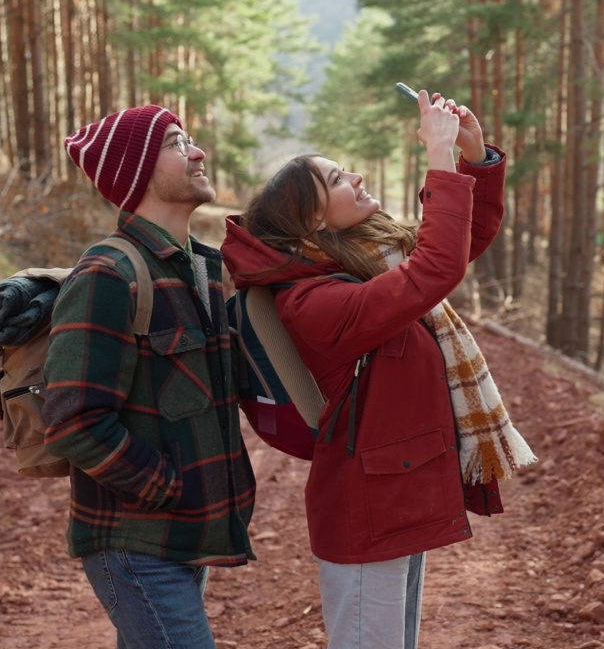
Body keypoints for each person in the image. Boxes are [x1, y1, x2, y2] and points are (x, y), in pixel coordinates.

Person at [221, 90, 536, 648]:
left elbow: (455, 244)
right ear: (313, 221)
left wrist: (473, 156)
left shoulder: (362, 266)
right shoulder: (312, 303)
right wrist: (437, 157)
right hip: (367, 509)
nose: (358, 177)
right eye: (339, 178)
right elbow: (434, 271)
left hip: (394, 496)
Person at [42, 104, 255, 649]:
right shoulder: (108, 275)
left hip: (184, 537)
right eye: (177, 143)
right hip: (134, 542)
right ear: (136, 170)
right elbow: (72, 420)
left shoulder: (203, 271)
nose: (198, 152)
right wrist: (166, 486)